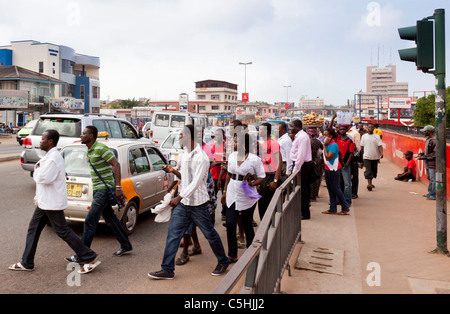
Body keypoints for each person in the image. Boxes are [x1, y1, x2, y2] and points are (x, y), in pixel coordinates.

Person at [9, 130, 100, 274]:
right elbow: (40, 172)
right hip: (45, 202)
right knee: (34, 229)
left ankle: (89, 256)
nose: (40, 141)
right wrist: (38, 169)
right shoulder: (50, 156)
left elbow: (45, 178)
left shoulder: (53, 158)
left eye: (43, 139)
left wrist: (37, 170)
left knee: (63, 231)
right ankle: (27, 262)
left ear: (50, 141)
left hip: (51, 203)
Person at [149, 125, 229, 279]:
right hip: (183, 205)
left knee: (210, 234)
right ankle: (167, 270)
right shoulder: (183, 156)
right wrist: (173, 190)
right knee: (173, 235)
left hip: (198, 205)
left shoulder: (202, 157)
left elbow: (197, 182)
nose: (179, 137)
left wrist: (179, 196)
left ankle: (223, 261)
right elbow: (183, 178)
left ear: (189, 137)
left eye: (181, 135)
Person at [66, 126, 132, 263]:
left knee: (90, 220)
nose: (81, 135)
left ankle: (82, 254)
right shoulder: (89, 150)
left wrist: (118, 187)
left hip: (104, 189)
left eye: (84, 133)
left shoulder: (100, 148)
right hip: (98, 189)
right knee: (111, 219)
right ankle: (126, 245)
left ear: (91, 136)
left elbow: (116, 164)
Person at [222, 133, 265, 263]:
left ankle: (251, 253)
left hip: (247, 194)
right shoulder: (232, 156)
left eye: (236, 142)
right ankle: (232, 254)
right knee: (230, 224)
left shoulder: (254, 159)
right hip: (232, 193)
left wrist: (253, 183)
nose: (234, 144)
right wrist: (224, 192)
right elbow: (229, 174)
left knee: (247, 224)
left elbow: (261, 177)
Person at [257, 123, 283, 220]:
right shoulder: (264, 144)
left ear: (266, 131)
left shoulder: (273, 143)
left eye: (260, 130)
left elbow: (279, 162)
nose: (259, 132)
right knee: (262, 206)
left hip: (271, 177)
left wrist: (275, 181)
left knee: (268, 207)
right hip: (264, 177)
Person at [321, 128, 350, 215]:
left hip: (334, 169)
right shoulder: (327, 144)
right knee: (330, 189)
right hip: (327, 169)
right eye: (324, 135)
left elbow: (328, 157)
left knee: (336, 188)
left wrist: (324, 146)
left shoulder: (333, 145)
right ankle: (332, 208)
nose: (324, 137)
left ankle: (345, 207)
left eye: (326, 135)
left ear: (330, 136)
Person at [290, 119, 313, 220]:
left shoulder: (302, 137)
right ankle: (302, 211)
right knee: (301, 189)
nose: (290, 128)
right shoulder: (299, 136)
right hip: (300, 165)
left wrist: (296, 168)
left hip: (302, 165)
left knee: (302, 190)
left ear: (298, 126)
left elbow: (301, 155)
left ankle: (305, 213)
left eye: (292, 126)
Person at [360, 123, 383, 191]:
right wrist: (362, 155)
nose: (370, 128)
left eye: (372, 127)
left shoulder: (377, 136)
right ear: (367, 128)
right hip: (367, 156)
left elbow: (380, 146)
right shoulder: (364, 136)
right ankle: (369, 184)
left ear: (374, 128)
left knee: (374, 170)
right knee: (368, 170)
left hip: (375, 156)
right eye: (369, 127)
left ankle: (371, 182)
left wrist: (381, 153)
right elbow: (362, 147)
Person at [336, 124, 355, 206]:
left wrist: (347, 163)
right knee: (338, 183)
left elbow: (351, 153)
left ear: (346, 130)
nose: (342, 131)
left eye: (344, 129)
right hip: (337, 164)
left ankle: (347, 200)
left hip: (345, 164)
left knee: (347, 184)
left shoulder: (349, 141)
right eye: (341, 129)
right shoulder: (337, 139)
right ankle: (339, 199)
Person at [418, 125, 436, 200]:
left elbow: (435, 154)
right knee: (430, 178)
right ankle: (430, 192)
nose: (424, 133)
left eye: (425, 131)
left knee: (433, 179)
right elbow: (428, 152)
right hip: (428, 162)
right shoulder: (429, 139)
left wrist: (424, 157)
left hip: (432, 163)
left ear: (429, 131)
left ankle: (433, 195)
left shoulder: (434, 140)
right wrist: (422, 154)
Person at [347, 124, 361, 199]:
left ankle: (354, 193)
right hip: (344, 160)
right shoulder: (342, 132)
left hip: (353, 159)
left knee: (354, 176)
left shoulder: (355, 133)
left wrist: (354, 159)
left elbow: (358, 148)